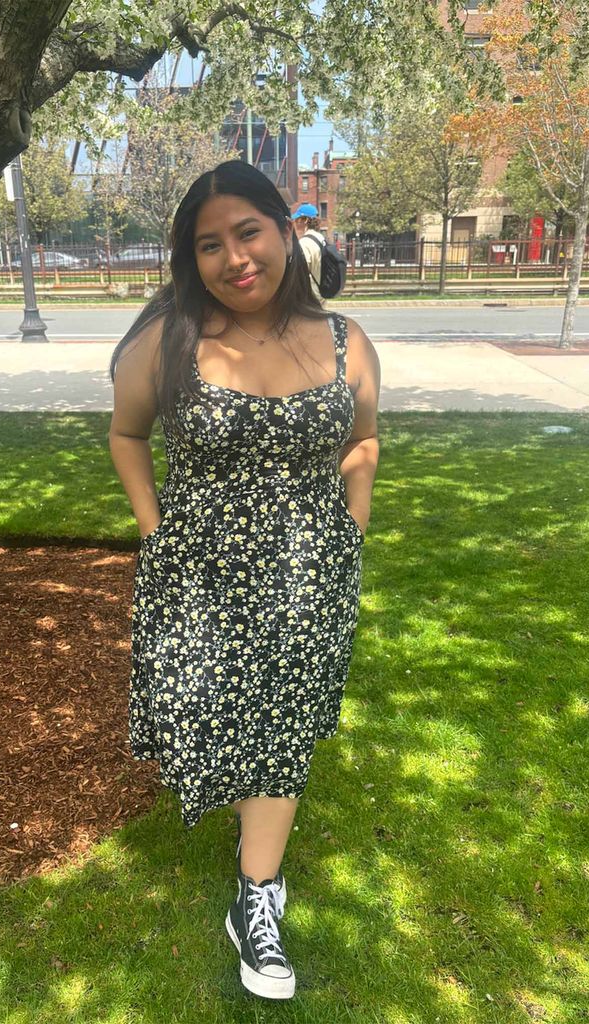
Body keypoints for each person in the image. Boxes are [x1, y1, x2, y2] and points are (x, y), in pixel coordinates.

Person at [108, 161, 380, 1001]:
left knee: (280, 731)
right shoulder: (170, 342)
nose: (234, 258)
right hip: (199, 579)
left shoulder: (345, 342)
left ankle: (256, 897)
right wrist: (158, 535)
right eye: (209, 245)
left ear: (286, 229)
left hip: (308, 580)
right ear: (192, 261)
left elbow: (362, 441)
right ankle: (252, 839)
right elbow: (126, 435)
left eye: (248, 232)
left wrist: (349, 532)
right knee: (209, 718)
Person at [291, 203, 327, 301]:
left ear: (306, 220)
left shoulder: (305, 243)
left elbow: (300, 272)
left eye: (297, 220)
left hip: (309, 297)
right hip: (321, 293)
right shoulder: (320, 238)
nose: (295, 222)